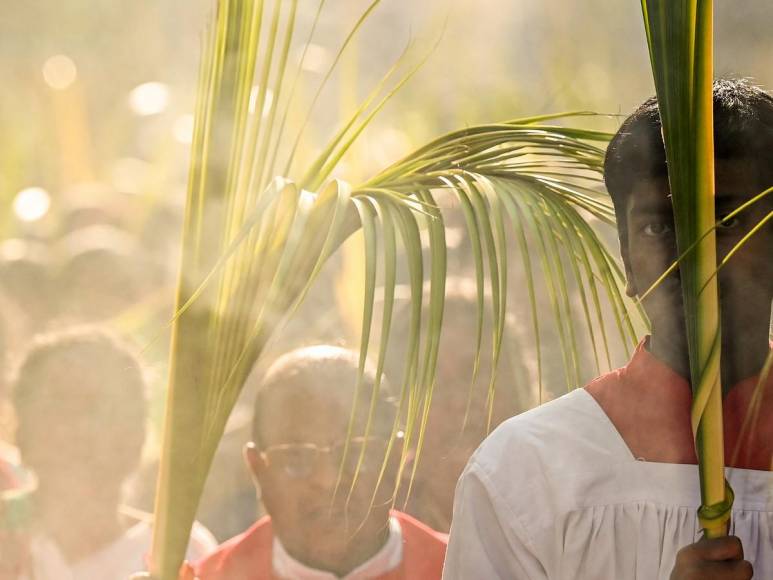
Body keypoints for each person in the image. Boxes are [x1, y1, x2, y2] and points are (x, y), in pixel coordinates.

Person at [443, 79, 773, 580]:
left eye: (726, 219)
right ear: (627, 263)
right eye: (659, 227)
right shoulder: (531, 470)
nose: (692, 257)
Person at [190, 345, 448, 579]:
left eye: (355, 451)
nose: (329, 479)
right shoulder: (210, 577)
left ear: (395, 459)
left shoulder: (464, 569)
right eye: (297, 457)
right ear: (258, 469)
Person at [11, 327, 216, 579]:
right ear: (22, 436)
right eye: (58, 405)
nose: (79, 428)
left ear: (137, 436)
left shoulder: (182, 549)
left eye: (95, 407)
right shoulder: (6, 538)